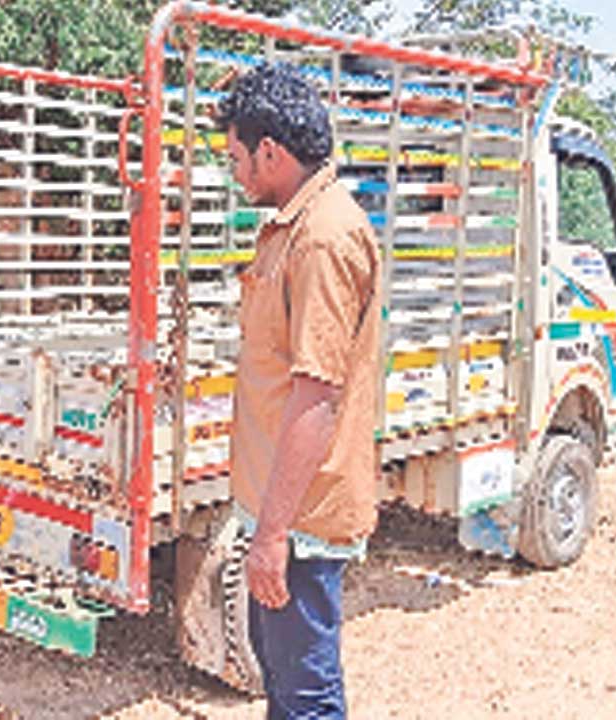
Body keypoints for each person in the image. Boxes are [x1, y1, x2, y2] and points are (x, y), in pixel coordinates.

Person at [219, 64, 380, 718]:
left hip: (302, 520)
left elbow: (317, 398)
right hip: (282, 510)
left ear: (271, 152)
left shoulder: (323, 237)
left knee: (306, 696)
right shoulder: (294, 225)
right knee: (286, 685)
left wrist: (273, 536)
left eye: (236, 158)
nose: (233, 172)